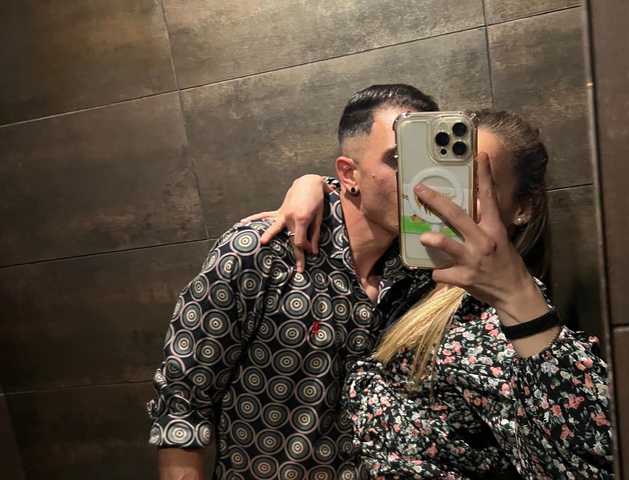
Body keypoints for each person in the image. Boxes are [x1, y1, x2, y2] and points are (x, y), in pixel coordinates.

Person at [253, 109, 613, 478]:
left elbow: (592, 464)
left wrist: (516, 297)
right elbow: (372, 189)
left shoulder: (500, 326)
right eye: (445, 181)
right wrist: (314, 185)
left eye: (474, 186)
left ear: (522, 207)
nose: (448, 202)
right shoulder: (414, 272)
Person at [147, 84, 443, 480]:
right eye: (398, 159)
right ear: (349, 173)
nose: (417, 178)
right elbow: (184, 398)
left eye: (426, 159)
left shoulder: (424, 275)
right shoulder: (261, 251)